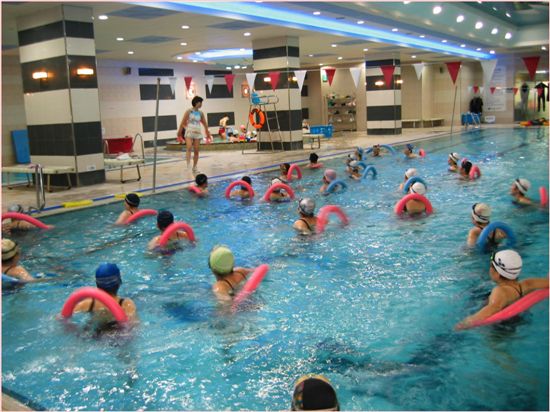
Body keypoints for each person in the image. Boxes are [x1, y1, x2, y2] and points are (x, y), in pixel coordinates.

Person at [456, 250, 548, 329]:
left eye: (491, 266)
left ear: (497, 274)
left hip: (501, 326)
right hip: (518, 319)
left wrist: (466, 322)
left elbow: (493, 308)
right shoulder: (528, 284)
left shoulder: (500, 291)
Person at [73, 263, 137, 322]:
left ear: (97, 284)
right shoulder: (126, 304)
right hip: (116, 329)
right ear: (119, 281)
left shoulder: (87, 303)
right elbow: (133, 325)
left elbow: (69, 316)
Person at [177, 96, 213, 175]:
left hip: (197, 133)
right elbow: (183, 122)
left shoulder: (201, 113)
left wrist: (208, 133)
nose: (201, 104)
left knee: (196, 150)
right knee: (189, 147)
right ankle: (188, 165)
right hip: (189, 132)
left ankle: (195, 167)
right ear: (196, 102)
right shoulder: (188, 111)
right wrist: (179, 132)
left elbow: (205, 124)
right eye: (200, 102)